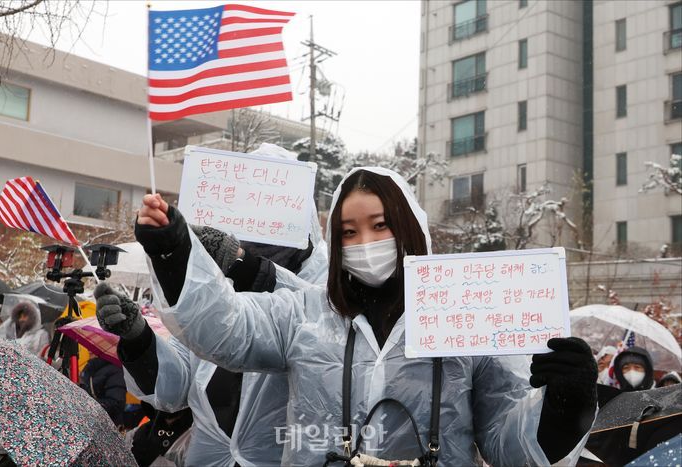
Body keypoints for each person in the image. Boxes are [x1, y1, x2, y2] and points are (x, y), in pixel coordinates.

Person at [119, 167, 597, 465]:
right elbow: (222, 328)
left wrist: (563, 406)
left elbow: (506, 444)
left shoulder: (462, 315)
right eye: (348, 232)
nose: (365, 243)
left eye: (380, 225)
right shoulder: (306, 312)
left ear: (408, 228)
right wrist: (173, 249)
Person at [95, 212, 327, 465]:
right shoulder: (217, 290)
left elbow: (321, 330)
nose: (258, 236)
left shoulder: (328, 285)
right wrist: (138, 339)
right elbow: (173, 389)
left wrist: (247, 267)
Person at [80, 356, 127, 426]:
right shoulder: (92, 366)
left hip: (102, 424)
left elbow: (115, 403)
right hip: (87, 418)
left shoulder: (117, 372)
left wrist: (87, 404)